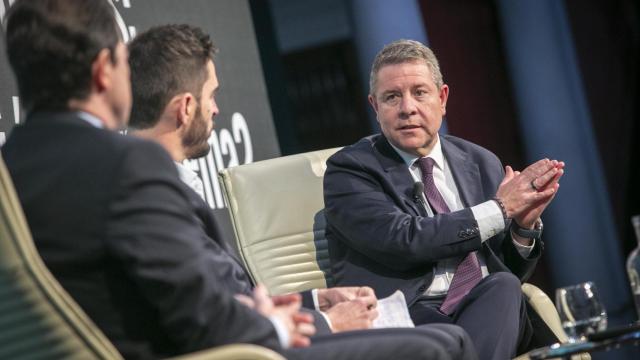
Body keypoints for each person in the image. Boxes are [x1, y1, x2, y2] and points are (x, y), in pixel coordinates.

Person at [1, 2, 475, 359]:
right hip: (224, 352)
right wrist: (312, 323)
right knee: (440, 346)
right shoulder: (128, 166)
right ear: (105, 70)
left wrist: (306, 300)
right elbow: (204, 317)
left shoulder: (10, 171)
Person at [126, 23, 477, 359]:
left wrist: (316, 301)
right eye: (211, 96)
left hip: (262, 335)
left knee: (456, 333)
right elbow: (202, 319)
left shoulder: (165, 185)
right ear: (186, 108)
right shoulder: (148, 196)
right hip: (257, 350)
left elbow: (229, 298)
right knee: (440, 347)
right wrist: (327, 322)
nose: (216, 108)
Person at [323, 39, 565, 360]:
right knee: (457, 333)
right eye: (392, 97)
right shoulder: (350, 170)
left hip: (482, 308)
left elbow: (503, 266)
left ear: (442, 98)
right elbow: (406, 240)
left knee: (504, 285)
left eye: (419, 92)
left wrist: (522, 225)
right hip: (408, 315)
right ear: (375, 107)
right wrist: (500, 209)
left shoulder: (479, 162)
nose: (407, 107)